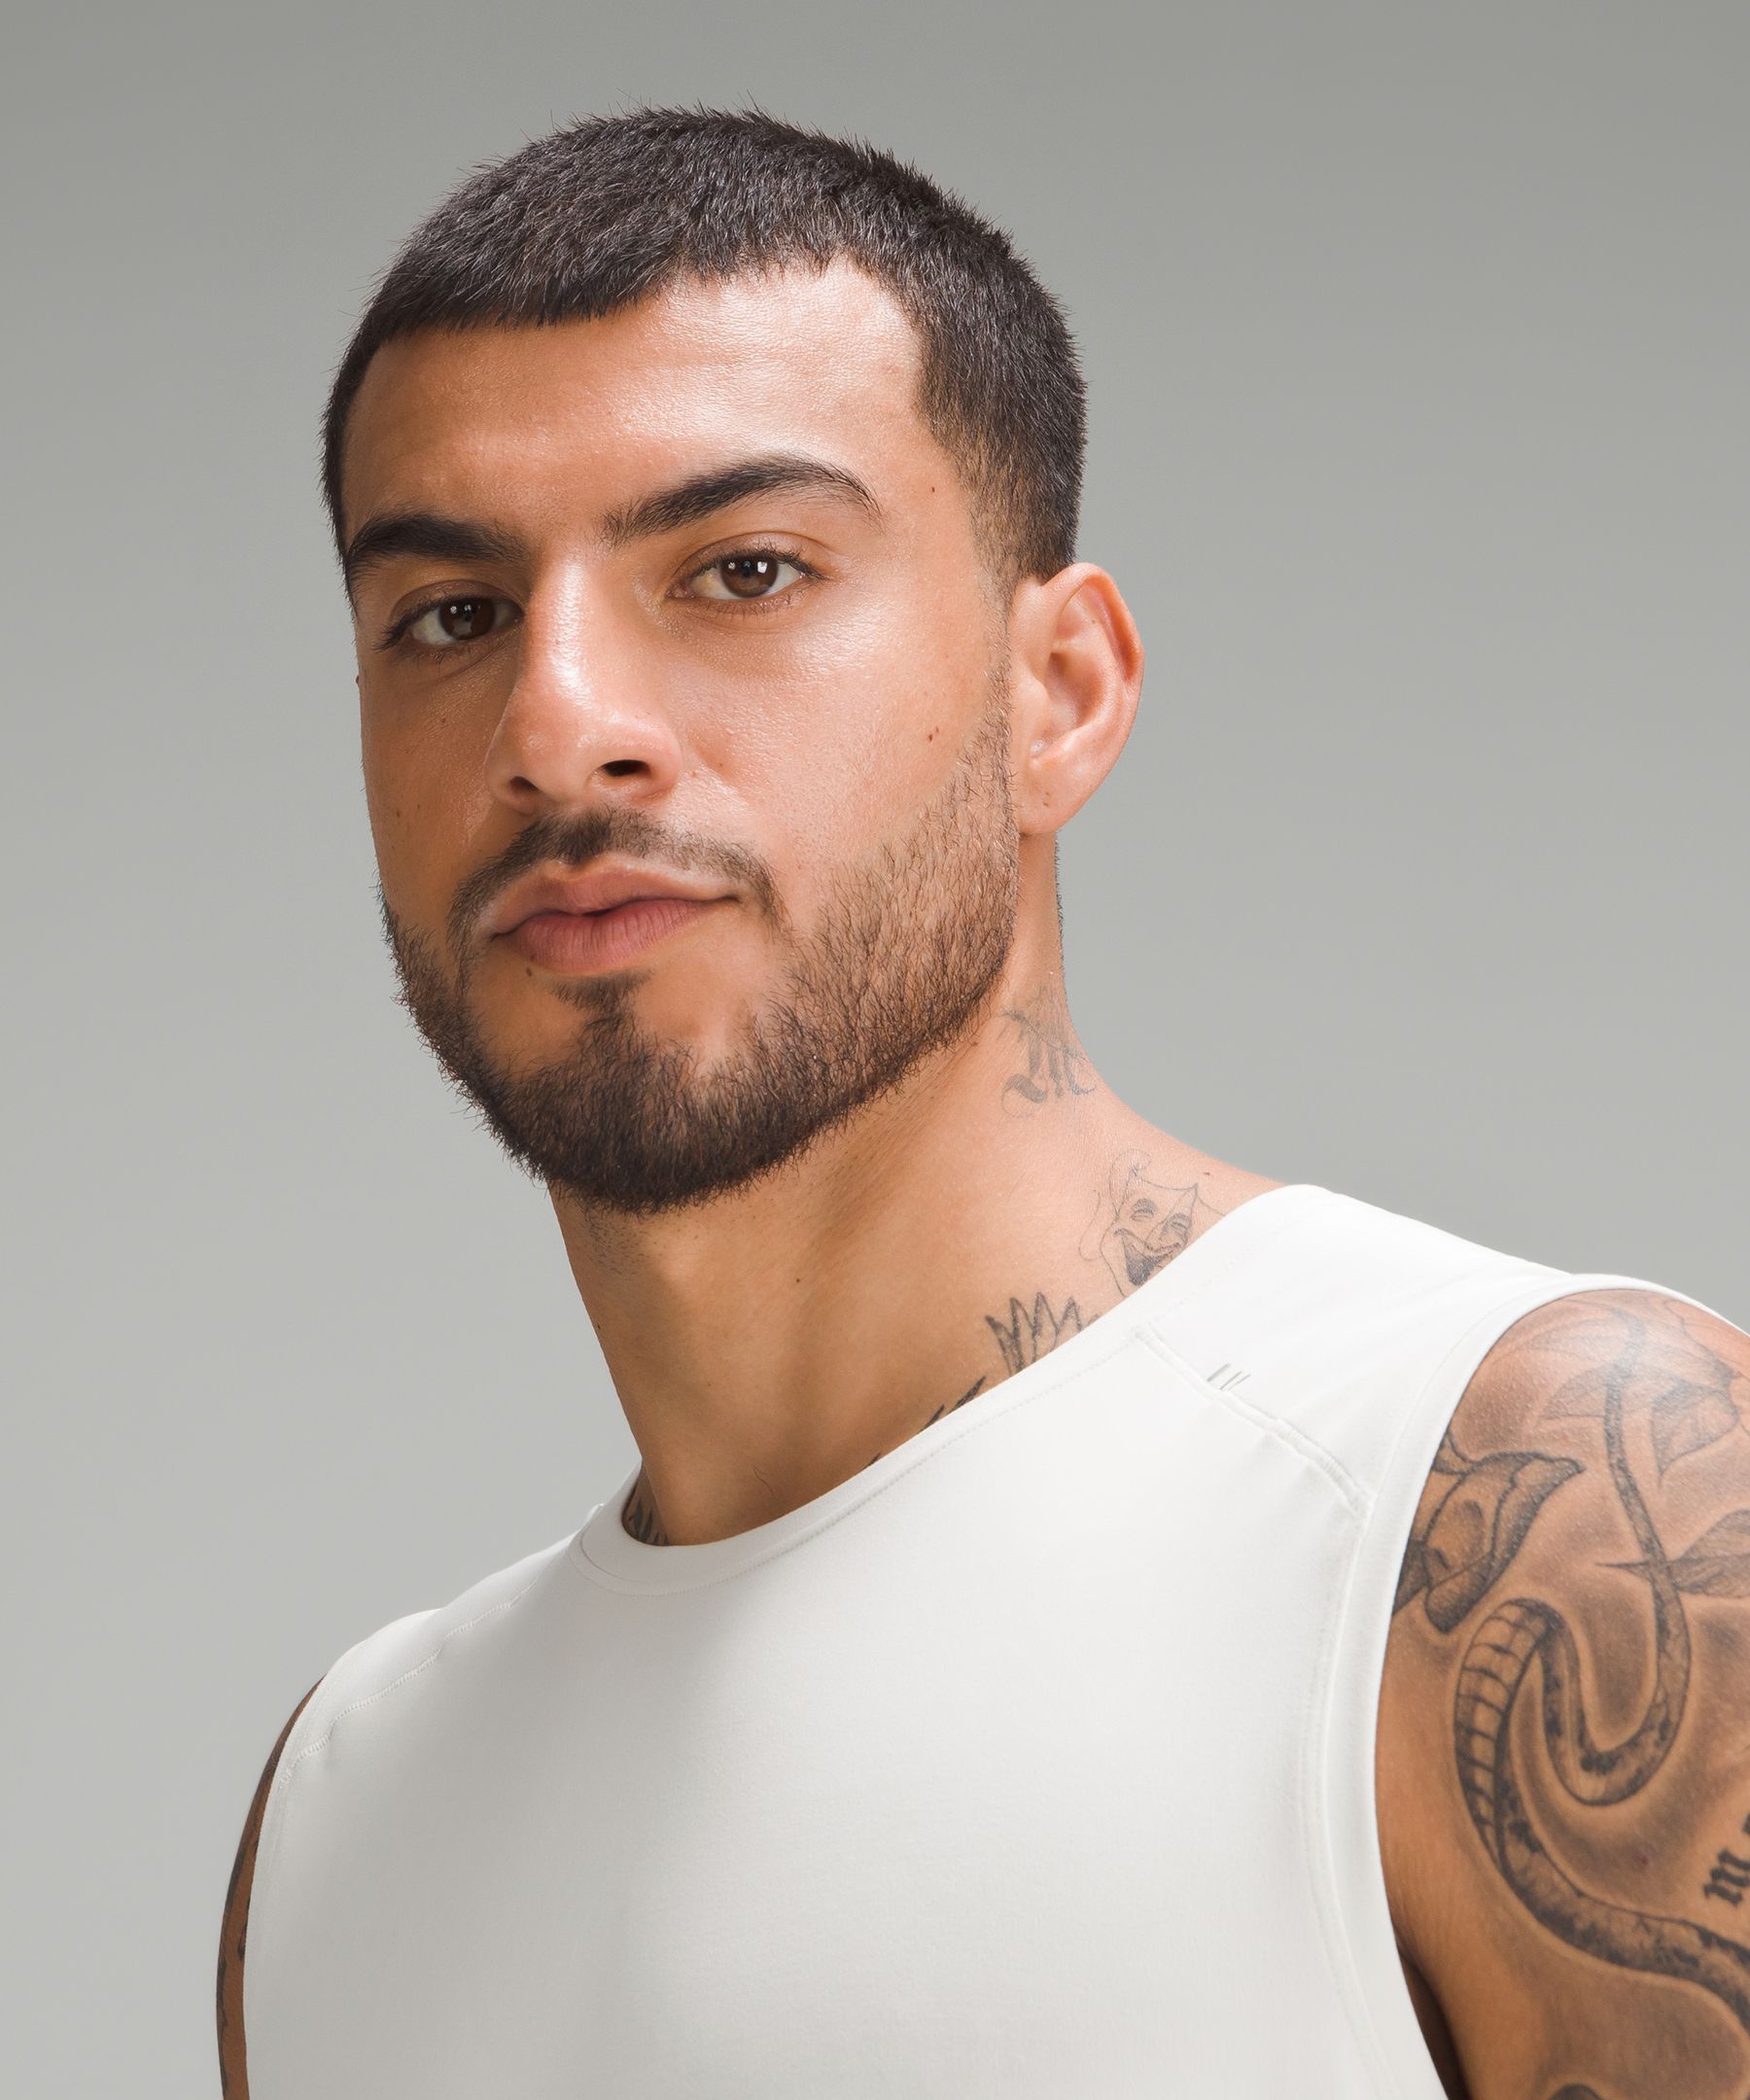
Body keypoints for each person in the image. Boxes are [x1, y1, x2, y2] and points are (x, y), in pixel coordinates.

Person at [217, 109, 1750, 2100]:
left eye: (744, 570)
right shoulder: (348, 1816)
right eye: (450, 612)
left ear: (1063, 692)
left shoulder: (1538, 1513)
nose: (560, 725)